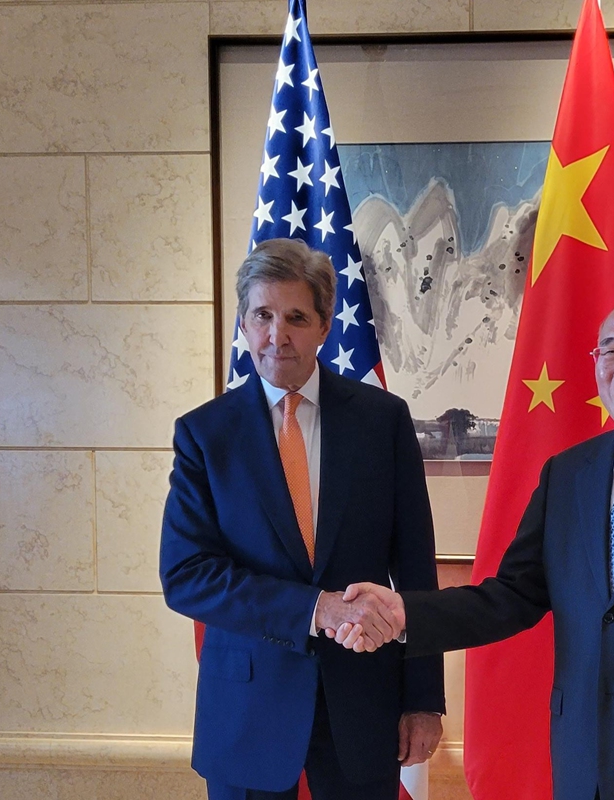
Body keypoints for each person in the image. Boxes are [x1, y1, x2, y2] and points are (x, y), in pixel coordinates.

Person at [338, 295, 614, 800]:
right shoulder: (568, 474)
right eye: (609, 351)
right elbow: (511, 596)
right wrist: (405, 613)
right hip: (581, 762)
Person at [159, 238, 445, 800]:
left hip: (363, 705)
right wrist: (316, 609)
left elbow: (415, 570)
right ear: (243, 323)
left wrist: (423, 699)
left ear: (324, 326)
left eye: (295, 317)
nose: (277, 335)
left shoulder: (382, 421)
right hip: (246, 710)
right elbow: (187, 576)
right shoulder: (205, 434)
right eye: (262, 316)